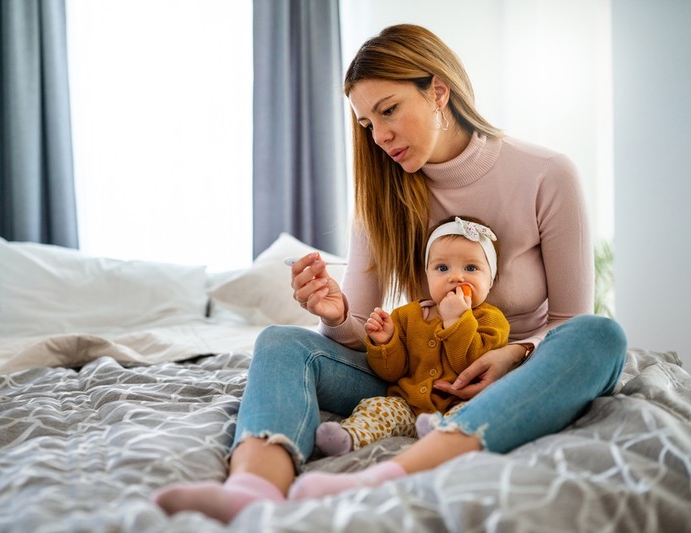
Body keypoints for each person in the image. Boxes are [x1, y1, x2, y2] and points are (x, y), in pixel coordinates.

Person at [154, 23, 626, 521]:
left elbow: (570, 320)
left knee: (600, 336)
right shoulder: (382, 196)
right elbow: (357, 338)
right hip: (413, 375)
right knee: (279, 341)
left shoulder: (546, 174)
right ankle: (252, 487)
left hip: (514, 376)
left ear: (438, 90)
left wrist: (513, 354)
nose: (379, 137)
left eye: (389, 111)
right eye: (366, 124)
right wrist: (336, 316)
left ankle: (389, 476)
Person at [315, 215, 510, 456]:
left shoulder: (492, 320)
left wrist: (457, 320)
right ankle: (349, 436)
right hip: (408, 404)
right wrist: (386, 342)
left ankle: (441, 436)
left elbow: (472, 365)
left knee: (475, 415)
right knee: (378, 407)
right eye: (442, 268)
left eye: (471, 268)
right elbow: (391, 373)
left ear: (490, 280)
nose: (456, 277)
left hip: (459, 405)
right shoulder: (407, 315)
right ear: (427, 275)